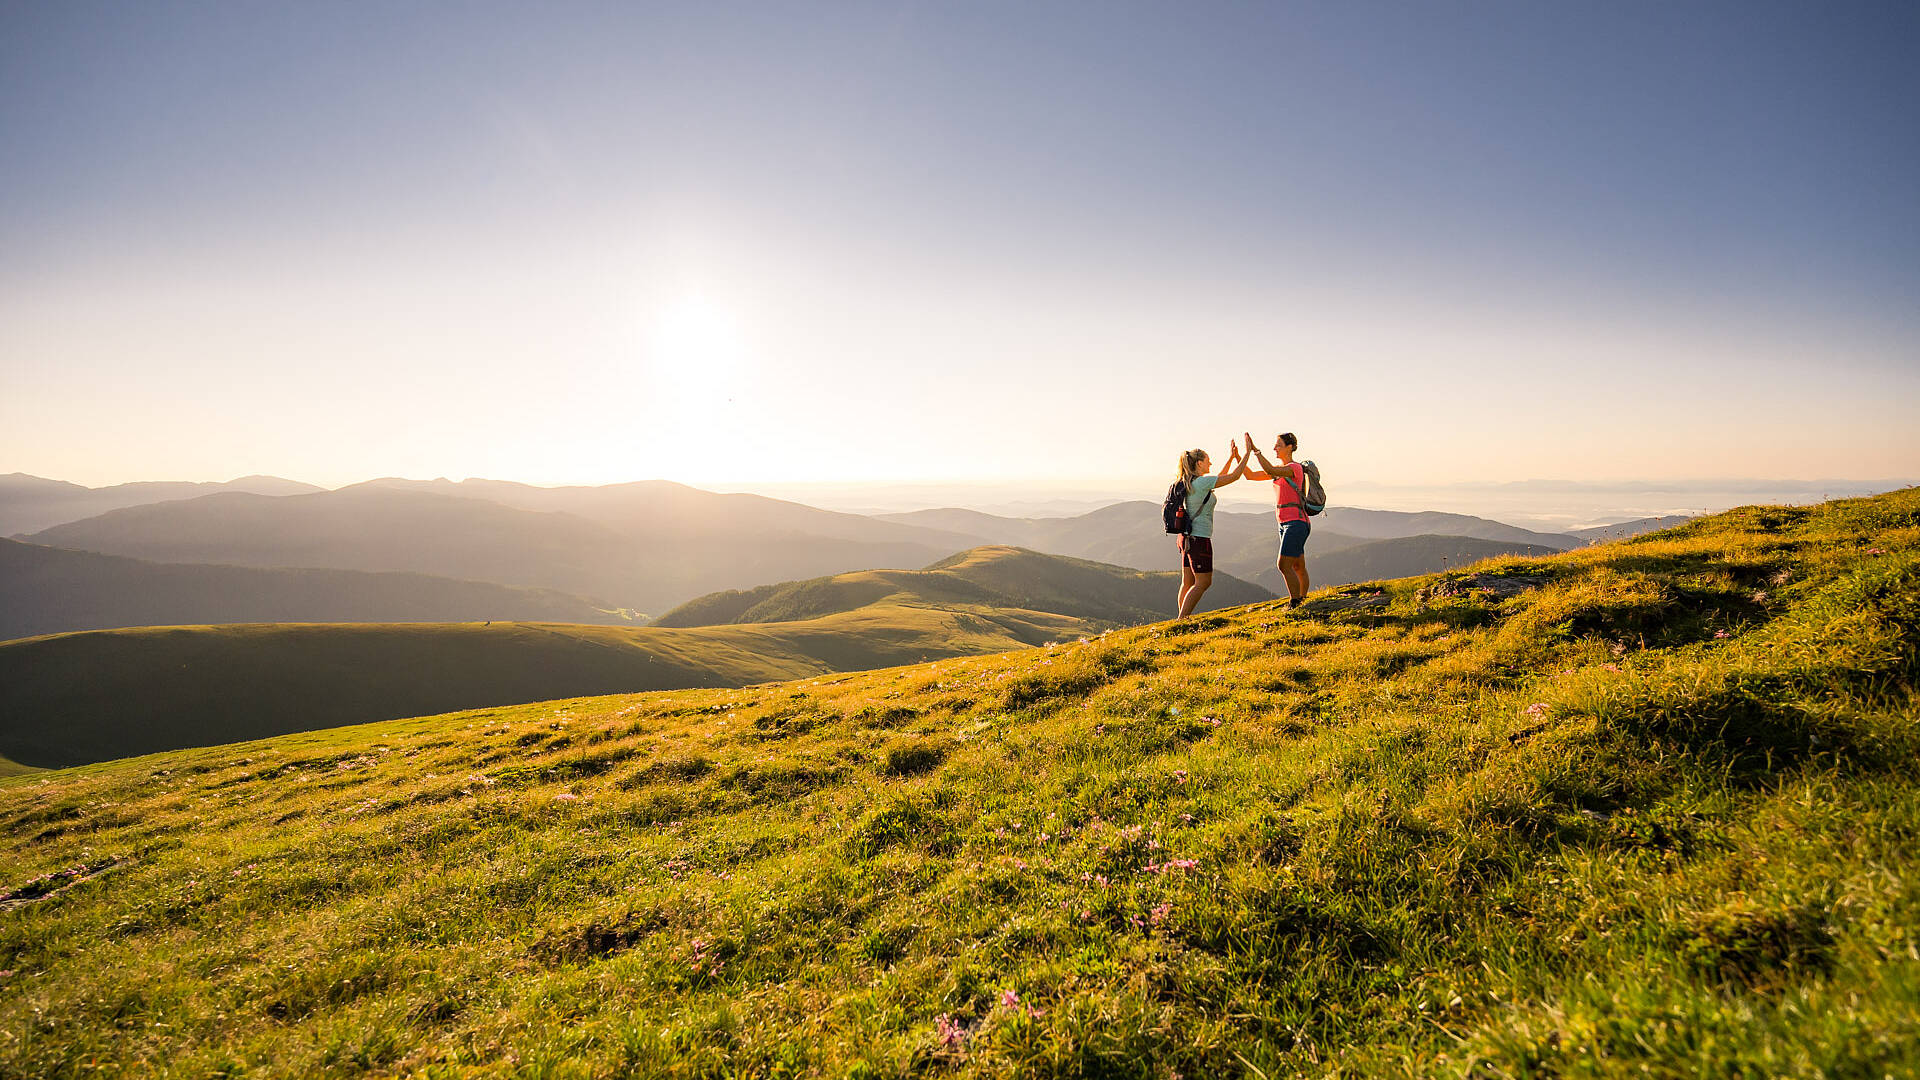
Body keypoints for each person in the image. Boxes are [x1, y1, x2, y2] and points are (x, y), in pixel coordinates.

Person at [1174, 440, 1247, 617]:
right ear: (1199, 463)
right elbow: (1234, 476)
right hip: (1199, 539)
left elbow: (1219, 479)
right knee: (1203, 582)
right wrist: (1248, 453)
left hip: (1186, 537)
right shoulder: (1202, 483)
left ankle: (1181, 618)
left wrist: (1231, 458)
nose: (1211, 463)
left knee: (1188, 582)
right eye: (1208, 461)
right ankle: (1181, 620)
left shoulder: (1191, 482)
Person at [1243, 431, 1311, 608]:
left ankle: (1295, 602)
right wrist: (1239, 456)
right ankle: (1303, 599)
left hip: (1296, 523)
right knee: (1297, 566)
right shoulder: (1279, 471)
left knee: (1283, 565)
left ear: (1290, 447)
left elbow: (1270, 470)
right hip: (1285, 523)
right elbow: (1250, 475)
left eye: (1278, 445)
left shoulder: (1294, 468)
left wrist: (1255, 451)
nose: (1274, 448)